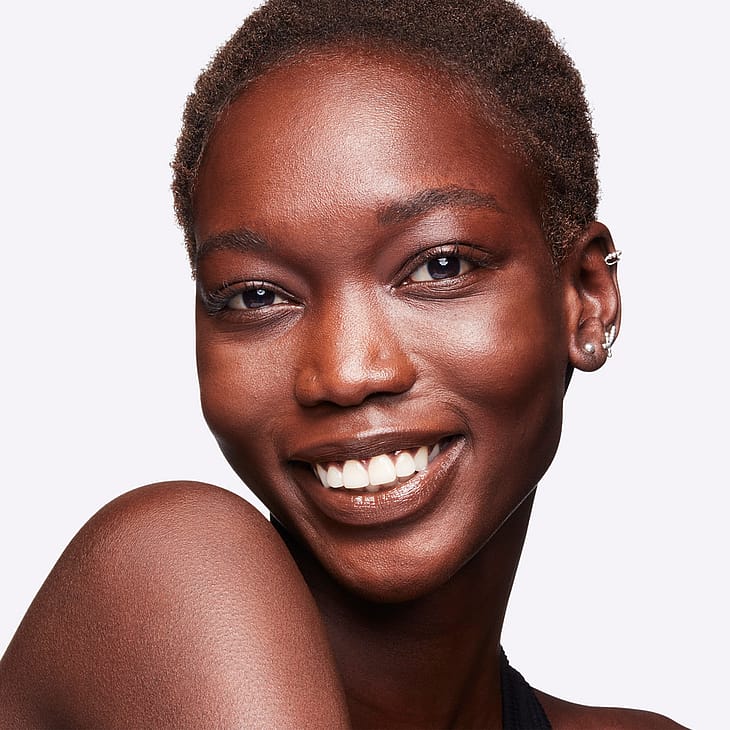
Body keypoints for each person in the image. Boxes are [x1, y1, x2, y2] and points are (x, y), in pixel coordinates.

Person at [0, 1, 694, 727]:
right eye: (257, 295)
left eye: (439, 266)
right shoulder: (173, 573)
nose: (345, 373)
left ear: (586, 298)